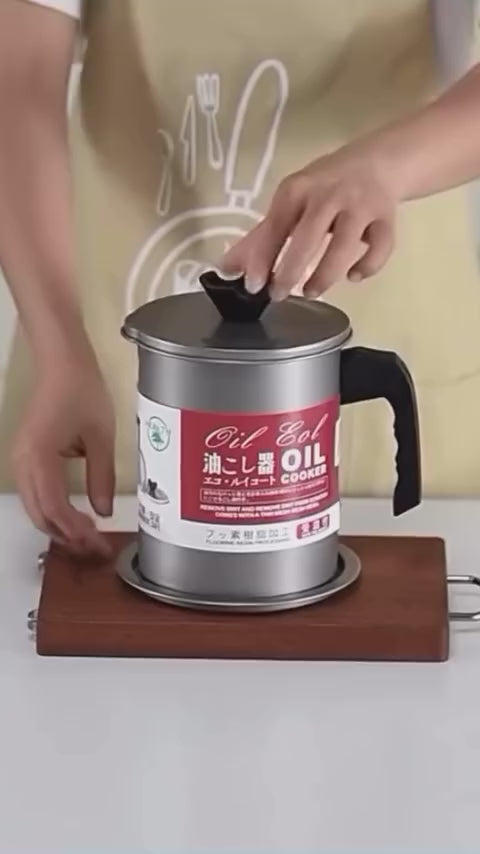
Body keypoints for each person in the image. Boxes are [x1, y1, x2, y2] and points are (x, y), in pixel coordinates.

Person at [1, 0, 480, 556]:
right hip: (107, 386)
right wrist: (61, 351)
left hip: (384, 400)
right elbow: (18, 81)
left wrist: (386, 167)